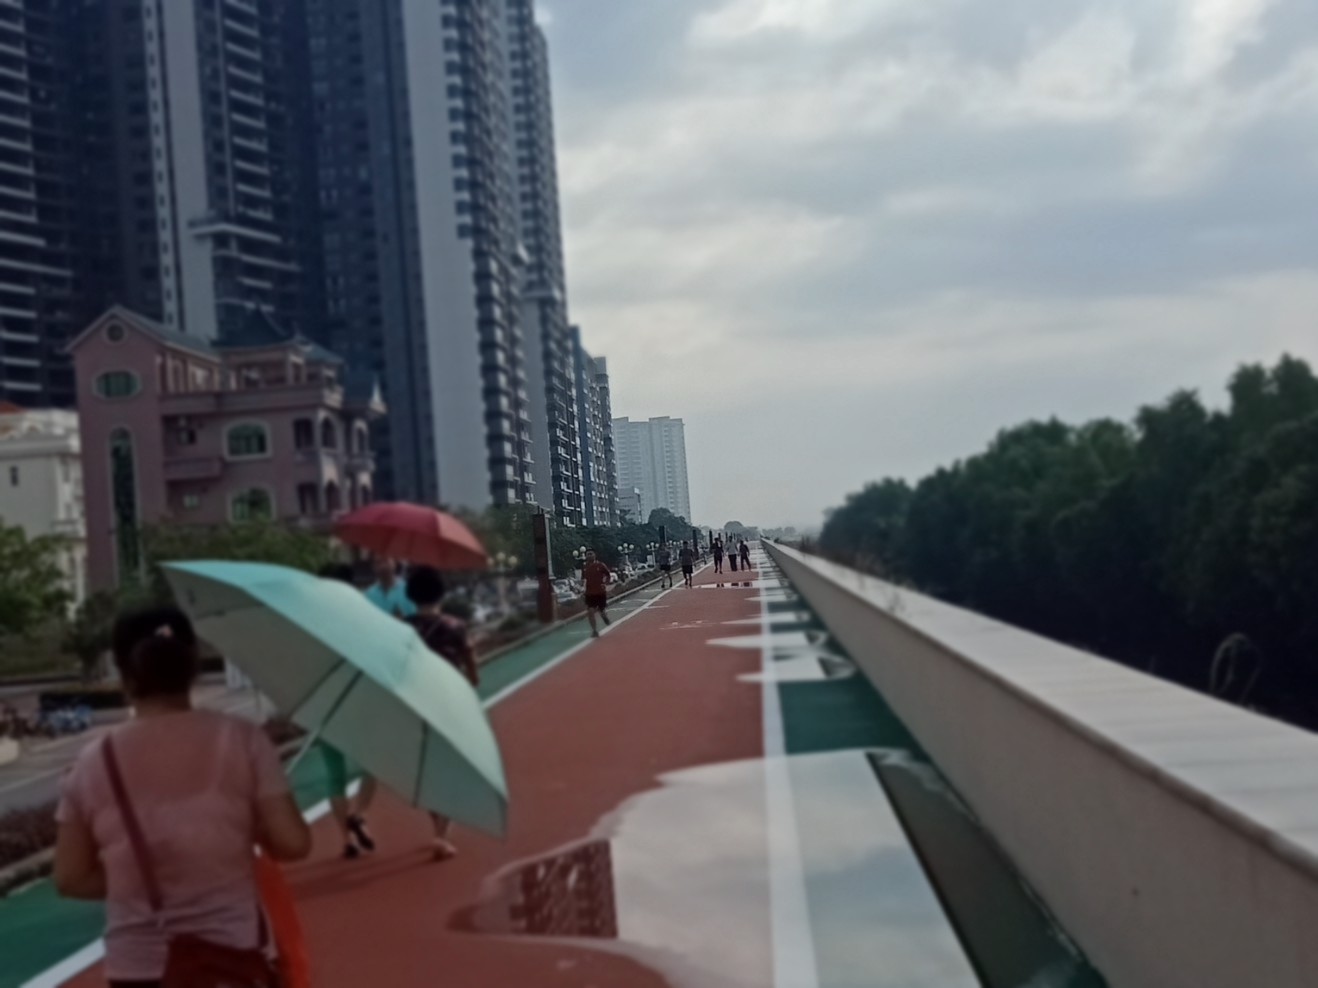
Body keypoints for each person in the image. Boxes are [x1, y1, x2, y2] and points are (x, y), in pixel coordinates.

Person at [54, 606, 311, 988]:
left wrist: (135, 879)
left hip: (140, 967)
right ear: (192, 666)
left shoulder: (93, 762)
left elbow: (70, 878)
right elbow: (293, 843)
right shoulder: (243, 739)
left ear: (124, 673)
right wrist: (249, 832)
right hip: (234, 957)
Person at [404, 566, 478, 861]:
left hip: (416, 703)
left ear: (411, 595)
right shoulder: (455, 626)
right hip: (449, 703)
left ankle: (437, 828)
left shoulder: (402, 628)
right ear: (441, 593)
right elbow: (472, 667)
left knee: (428, 769)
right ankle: (441, 835)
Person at [318, 564, 378, 859]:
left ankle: (347, 840)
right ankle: (359, 813)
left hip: (321, 705)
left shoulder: (311, 619)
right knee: (375, 763)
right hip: (356, 702)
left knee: (334, 775)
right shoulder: (360, 617)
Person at [581, 550, 613, 638]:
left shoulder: (600, 565)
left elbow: (608, 575)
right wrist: (582, 589)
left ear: (595, 555)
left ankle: (605, 617)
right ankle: (594, 630)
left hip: (600, 592)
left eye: (591, 554)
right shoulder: (585, 567)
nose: (589, 556)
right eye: (588, 554)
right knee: (590, 611)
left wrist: (605, 583)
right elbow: (583, 579)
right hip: (589, 593)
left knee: (602, 611)